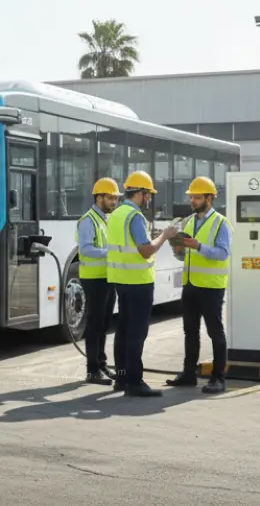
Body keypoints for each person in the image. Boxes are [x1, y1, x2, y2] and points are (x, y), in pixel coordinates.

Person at [107, 170, 179, 397]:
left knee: (123, 330)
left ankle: (121, 378)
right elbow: (146, 250)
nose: (149, 199)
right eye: (147, 194)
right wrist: (164, 236)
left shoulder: (117, 214)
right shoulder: (135, 217)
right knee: (137, 333)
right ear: (139, 193)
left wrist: (152, 236)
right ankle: (135, 382)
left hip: (121, 280)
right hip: (138, 283)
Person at [166, 176, 233, 394]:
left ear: (209, 198)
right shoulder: (189, 222)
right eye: (191, 197)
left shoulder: (221, 223)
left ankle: (218, 378)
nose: (192, 201)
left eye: (197, 197)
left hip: (211, 287)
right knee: (190, 332)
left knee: (215, 332)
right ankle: (188, 374)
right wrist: (179, 251)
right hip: (190, 285)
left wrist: (198, 246)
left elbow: (222, 253)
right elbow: (186, 256)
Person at [76, 177, 121, 385]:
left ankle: (101, 364)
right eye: (111, 198)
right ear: (99, 197)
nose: (114, 201)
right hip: (94, 280)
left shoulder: (105, 219)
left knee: (104, 324)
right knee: (94, 325)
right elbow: (85, 249)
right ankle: (92, 370)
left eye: (115, 198)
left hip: (107, 278)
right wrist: (110, 252)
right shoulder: (88, 220)